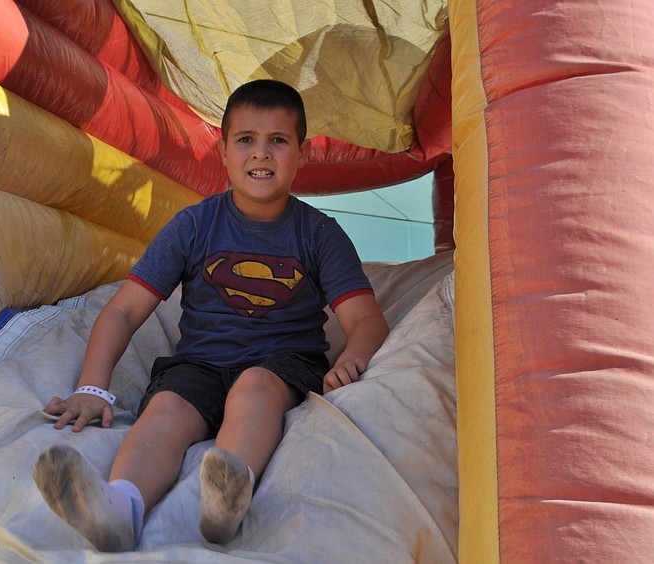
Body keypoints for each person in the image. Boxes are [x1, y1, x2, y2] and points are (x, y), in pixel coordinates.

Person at [33, 79, 390, 552]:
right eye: (246, 140)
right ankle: (121, 507)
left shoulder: (319, 233)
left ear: (302, 154)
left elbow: (366, 321)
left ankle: (225, 496)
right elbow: (123, 310)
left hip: (280, 365)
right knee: (166, 408)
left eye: (278, 141)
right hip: (199, 364)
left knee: (255, 387)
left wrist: (355, 357)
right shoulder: (194, 225)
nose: (261, 154)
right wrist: (92, 387)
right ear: (222, 151)